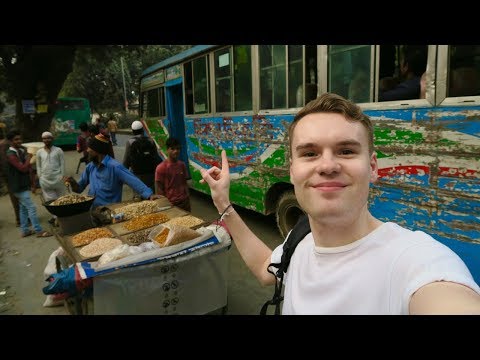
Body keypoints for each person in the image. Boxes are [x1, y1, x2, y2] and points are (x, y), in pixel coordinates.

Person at [200, 92, 480, 315]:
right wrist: (223, 202)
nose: (328, 165)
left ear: (373, 167)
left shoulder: (417, 262)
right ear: (292, 170)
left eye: (346, 151)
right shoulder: (298, 241)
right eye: (309, 153)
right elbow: (265, 268)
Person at [64, 133, 160, 208]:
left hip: (110, 212)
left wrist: (149, 195)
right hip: (92, 210)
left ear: (98, 150)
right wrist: (72, 182)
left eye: (90, 148)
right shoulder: (90, 167)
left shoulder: (115, 167)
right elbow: (79, 189)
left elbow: (133, 181)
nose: (88, 150)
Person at [5, 129, 52, 238]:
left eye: (20, 139)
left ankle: (25, 230)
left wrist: (32, 184)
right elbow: (22, 168)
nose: (19, 141)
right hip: (17, 187)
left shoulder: (20, 151)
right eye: (16, 139)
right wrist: (29, 158)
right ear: (10, 141)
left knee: (23, 209)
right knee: (32, 208)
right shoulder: (10, 154)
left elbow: (28, 169)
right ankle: (38, 230)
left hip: (22, 185)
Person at [123, 120, 161, 194]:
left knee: (138, 195)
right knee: (151, 195)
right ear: (142, 130)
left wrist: (125, 176)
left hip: (137, 174)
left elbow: (126, 161)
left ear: (133, 131)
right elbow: (156, 157)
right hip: (150, 174)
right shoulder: (150, 140)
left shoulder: (130, 142)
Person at [36, 131, 66, 224]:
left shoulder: (58, 150)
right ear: (42, 140)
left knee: (61, 199)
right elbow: (38, 166)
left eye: (48, 138)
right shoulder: (39, 152)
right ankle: (56, 217)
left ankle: (64, 217)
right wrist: (40, 176)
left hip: (58, 179)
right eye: (44, 138)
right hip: (45, 180)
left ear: (52, 139)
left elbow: (62, 164)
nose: (46, 140)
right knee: (50, 200)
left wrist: (62, 176)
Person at [155, 137, 190, 212]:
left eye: (178, 149)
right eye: (172, 149)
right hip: (171, 204)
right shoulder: (161, 168)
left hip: (184, 202)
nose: (176, 151)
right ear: (167, 150)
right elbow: (159, 189)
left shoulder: (182, 165)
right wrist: (164, 204)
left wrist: (187, 198)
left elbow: (184, 183)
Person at [0, 138, 20, 226]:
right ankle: (20, 219)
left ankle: (20, 219)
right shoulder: (5, 144)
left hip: (8, 174)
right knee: (18, 196)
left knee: (16, 197)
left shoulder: (4, 144)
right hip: (11, 175)